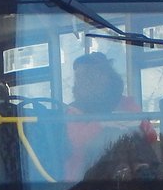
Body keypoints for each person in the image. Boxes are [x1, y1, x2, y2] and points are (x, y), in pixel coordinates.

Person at [65, 52, 157, 180]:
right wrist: (101, 124)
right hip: (88, 176)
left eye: (94, 74)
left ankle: (140, 169)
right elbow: (76, 143)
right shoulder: (74, 111)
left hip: (134, 178)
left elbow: (151, 137)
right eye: (80, 77)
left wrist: (138, 123)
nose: (85, 81)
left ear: (108, 76)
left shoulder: (126, 104)